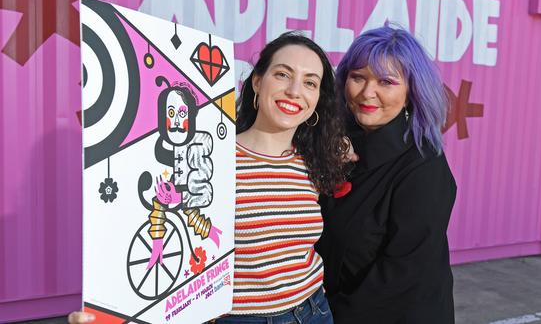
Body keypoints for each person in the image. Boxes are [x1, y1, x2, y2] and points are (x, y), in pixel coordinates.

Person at [68, 32, 347, 324]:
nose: (294, 90)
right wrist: (108, 310)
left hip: (313, 310)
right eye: (282, 74)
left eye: (310, 83)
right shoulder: (211, 155)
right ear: (256, 82)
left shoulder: (315, 160)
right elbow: (151, 228)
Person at [316, 25, 457, 323]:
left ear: (410, 93)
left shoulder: (424, 165)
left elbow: (401, 275)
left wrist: (325, 317)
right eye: (358, 77)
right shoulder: (337, 146)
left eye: (386, 81)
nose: (368, 92)